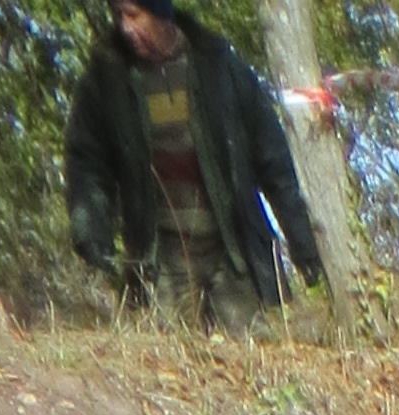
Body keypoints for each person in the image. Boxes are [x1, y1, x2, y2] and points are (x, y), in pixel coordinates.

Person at [64, 1, 323, 326]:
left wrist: (303, 244)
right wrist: (92, 233)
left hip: (232, 254)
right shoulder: (107, 78)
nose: (125, 28)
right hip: (161, 260)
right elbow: (86, 160)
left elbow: (274, 161)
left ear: (159, 12)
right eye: (118, 16)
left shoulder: (220, 66)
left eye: (133, 15)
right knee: (162, 352)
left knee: (254, 350)